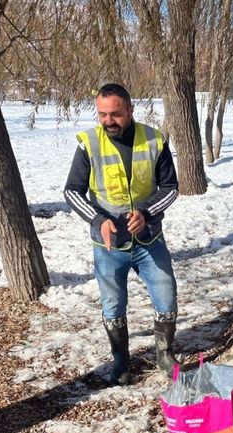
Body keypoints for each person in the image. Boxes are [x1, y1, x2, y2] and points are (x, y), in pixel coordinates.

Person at [64, 83, 180, 386]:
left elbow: (171, 188)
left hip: (149, 239)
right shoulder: (88, 143)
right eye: (102, 114)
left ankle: (165, 355)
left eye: (115, 114)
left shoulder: (154, 140)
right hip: (109, 244)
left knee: (166, 293)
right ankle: (120, 361)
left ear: (130, 110)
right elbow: (72, 192)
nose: (108, 121)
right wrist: (97, 219)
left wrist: (147, 213)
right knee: (112, 304)